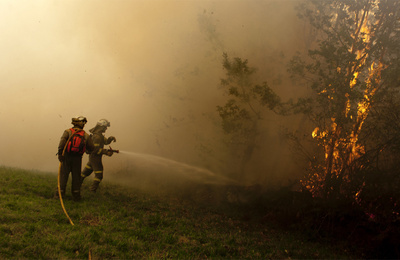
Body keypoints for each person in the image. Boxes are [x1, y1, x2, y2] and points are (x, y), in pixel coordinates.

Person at [56, 116, 94, 201]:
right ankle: (76, 196)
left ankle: (59, 194)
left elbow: (62, 143)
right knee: (76, 177)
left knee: (63, 175)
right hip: (77, 158)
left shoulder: (68, 132)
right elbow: (91, 148)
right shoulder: (86, 135)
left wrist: (60, 154)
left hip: (66, 156)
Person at [81, 119, 116, 192]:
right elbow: (95, 150)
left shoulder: (99, 136)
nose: (106, 128)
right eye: (105, 127)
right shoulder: (97, 137)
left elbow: (106, 142)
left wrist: (111, 138)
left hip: (93, 158)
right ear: (101, 127)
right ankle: (92, 190)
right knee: (99, 175)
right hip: (95, 158)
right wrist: (106, 152)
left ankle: (76, 185)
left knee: (85, 173)